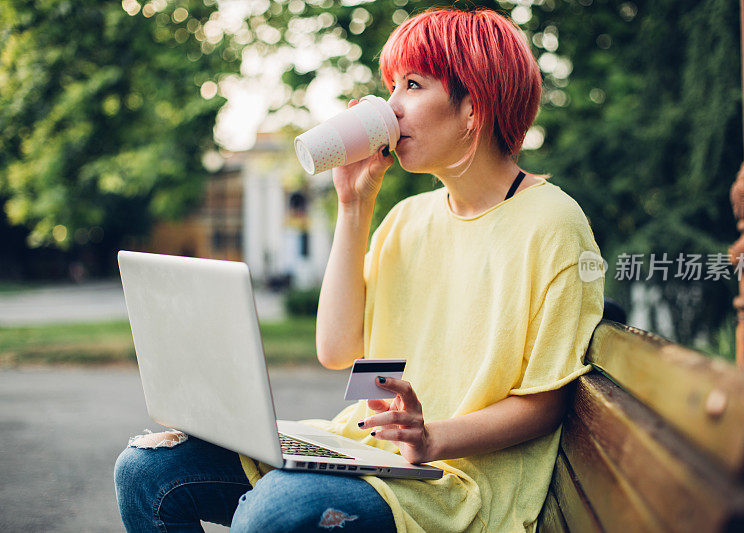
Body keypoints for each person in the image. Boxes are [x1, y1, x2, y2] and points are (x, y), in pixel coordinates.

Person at [114, 7, 603, 532]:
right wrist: (354, 206)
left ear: (472, 108)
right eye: (391, 87)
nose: (391, 108)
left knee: (276, 509)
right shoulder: (405, 220)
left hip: (451, 482)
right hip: (366, 452)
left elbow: (545, 404)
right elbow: (338, 350)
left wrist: (432, 437)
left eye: (412, 85)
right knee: (147, 470)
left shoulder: (552, 223)